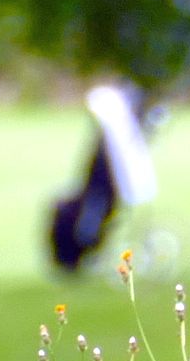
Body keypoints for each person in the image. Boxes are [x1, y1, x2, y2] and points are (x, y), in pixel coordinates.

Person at [46, 82, 162, 273]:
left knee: (88, 215)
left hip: (103, 187)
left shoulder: (112, 137)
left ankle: (80, 253)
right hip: (103, 186)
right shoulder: (113, 134)